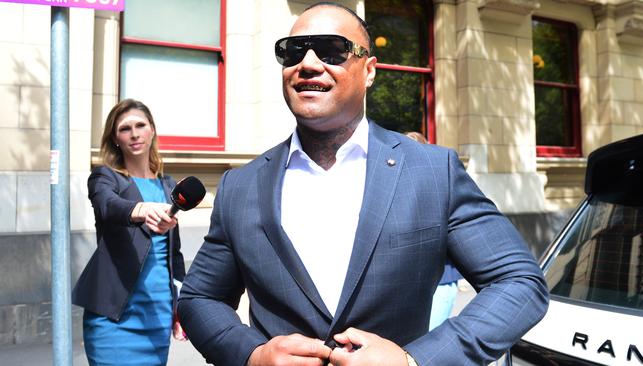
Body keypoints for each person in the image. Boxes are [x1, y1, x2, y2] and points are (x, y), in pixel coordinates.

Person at [178, 3, 549, 366]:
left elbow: (519, 283)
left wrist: (415, 361)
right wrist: (251, 355)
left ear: (369, 70)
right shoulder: (240, 186)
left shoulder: (434, 171)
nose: (307, 64)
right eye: (293, 52)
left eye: (332, 50)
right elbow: (199, 298)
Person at [72, 99, 186, 365]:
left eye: (140, 125)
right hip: (114, 319)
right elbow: (107, 206)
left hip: (157, 314)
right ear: (115, 138)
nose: (134, 134)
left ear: (152, 130)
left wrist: (180, 306)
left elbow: (175, 255)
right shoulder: (105, 178)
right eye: (125, 129)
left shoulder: (167, 185)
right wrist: (141, 210)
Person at [404, 131, 464, 330]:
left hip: (441, 280)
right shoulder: (398, 186)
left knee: (428, 339)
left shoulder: (441, 181)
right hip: (410, 284)